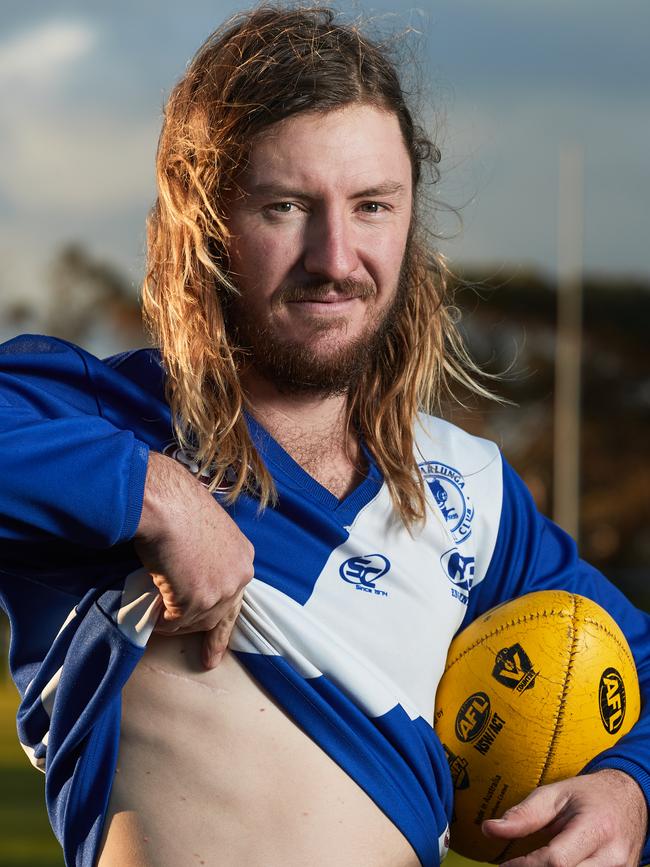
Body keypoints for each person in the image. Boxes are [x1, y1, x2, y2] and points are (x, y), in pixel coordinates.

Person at [0, 5, 648, 867]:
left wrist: (628, 786)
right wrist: (156, 493)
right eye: (286, 206)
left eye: (373, 205)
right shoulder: (101, 425)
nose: (336, 256)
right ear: (206, 226)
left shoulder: (472, 495)